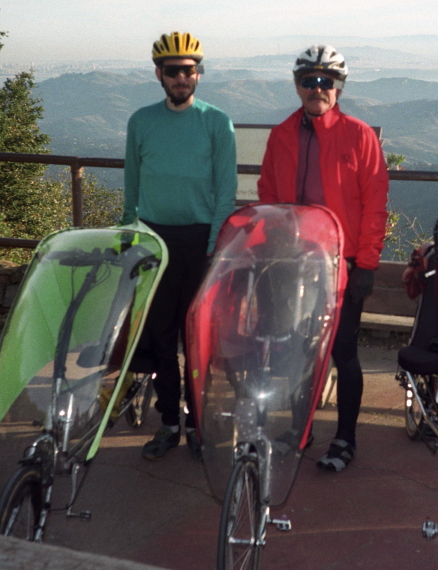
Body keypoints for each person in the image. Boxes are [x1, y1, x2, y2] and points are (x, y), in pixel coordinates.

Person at [258, 45, 390, 472]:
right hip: (293, 262)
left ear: (339, 87)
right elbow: (267, 196)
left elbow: (375, 205)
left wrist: (367, 264)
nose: (317, 89)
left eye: (326, 82)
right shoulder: (280, 135)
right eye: (308, 81)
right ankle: (300, 428)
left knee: (343, 352)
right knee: (298, 349)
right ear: (297, 86)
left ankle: (346, 438)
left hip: (343, 265)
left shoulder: (359, 135)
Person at [121, 31, 237, 460]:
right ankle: (170, 422)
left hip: (199, 242)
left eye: (190, 70)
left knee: (198, 342)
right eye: (173, 71)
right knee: (161, 338)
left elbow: (226, 193)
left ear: (198, 74)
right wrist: (130, 237)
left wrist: (214, 248)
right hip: (153, 240)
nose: (182, 78)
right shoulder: (141, 122)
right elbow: (131, 189)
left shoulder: (216, 122)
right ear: (159, 74)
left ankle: (201, 426)